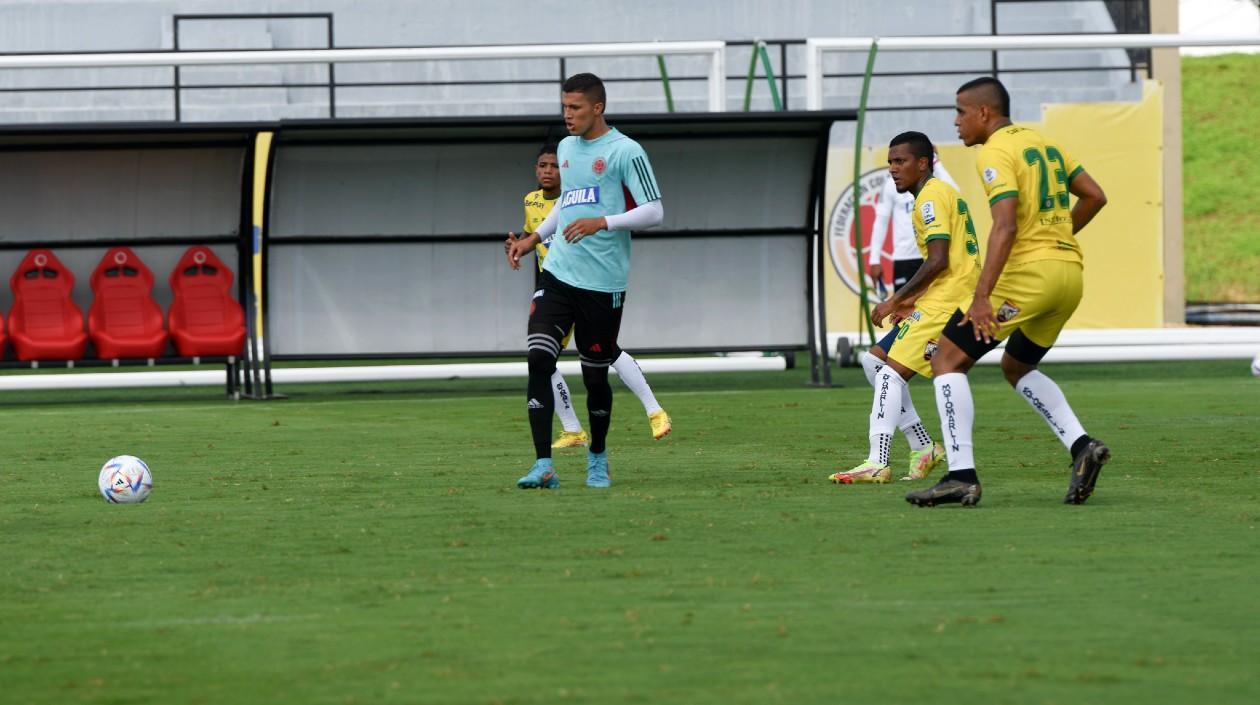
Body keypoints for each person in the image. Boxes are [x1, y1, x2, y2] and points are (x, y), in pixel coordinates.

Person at [906, 77, 1110, 508]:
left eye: (960, 111)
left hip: (1028, 277)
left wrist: (982, 297)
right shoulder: (1046, 144)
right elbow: (1095, 196)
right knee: (1017, 366)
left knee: (946, 359)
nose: (956, 121)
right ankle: (1082, 447)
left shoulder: (995, 151)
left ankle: (960, 476)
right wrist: (1054, 240)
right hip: (1068, 273)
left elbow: (1005, 226)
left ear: (984, 113)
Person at [506, 73, 665, 489]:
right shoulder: (565, 148)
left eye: (575, 108)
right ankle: (543, 465)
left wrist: (604, 222)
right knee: (540, 358)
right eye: (564, 107)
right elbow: (568, 205)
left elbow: (654, 211)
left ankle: (597, 454)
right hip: (558, 274)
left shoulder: (625, 151)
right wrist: (533, 238)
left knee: (595, 376)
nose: (568, 116)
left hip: (603, 284)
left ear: (597, 108)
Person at [830, 132, 977, 485]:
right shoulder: (933, 195)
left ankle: (877, 461)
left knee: (889, 375)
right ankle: (923, 445)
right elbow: (950, 260)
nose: (893, 169)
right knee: (874, 360)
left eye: (901, 162)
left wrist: (895, 299)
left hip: (948, 303)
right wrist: (911, 300)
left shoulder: (930, 199)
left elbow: (939, 259)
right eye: (890, 162)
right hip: (944, 295)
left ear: (923, 163)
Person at [868, 152, 960, 293]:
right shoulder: (892, 185)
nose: (894, 168)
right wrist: (874, 259)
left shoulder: (936, 180)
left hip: (934, 256)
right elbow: (881, 221)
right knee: (902, 311)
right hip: (905, 258)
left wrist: (936, 161)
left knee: (937, 308)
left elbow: (956, 195)